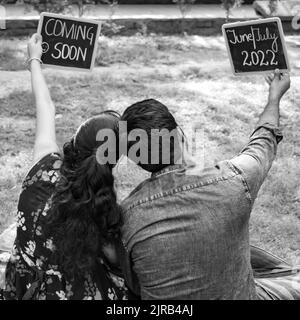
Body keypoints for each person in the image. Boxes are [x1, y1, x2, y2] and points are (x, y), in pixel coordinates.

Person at [120, 70, 300, 299]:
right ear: (180, 135)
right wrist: (274, 97)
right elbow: (263, 141)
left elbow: (134, 283)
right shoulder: (235, 181)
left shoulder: (126, 217)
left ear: (138, 161)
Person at [1, 34, 127, 300]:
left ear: (75, 140)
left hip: (23, 282)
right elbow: (116, 260)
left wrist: (34, 59)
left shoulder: (42, 163)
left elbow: (45, 106)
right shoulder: (101, 203)